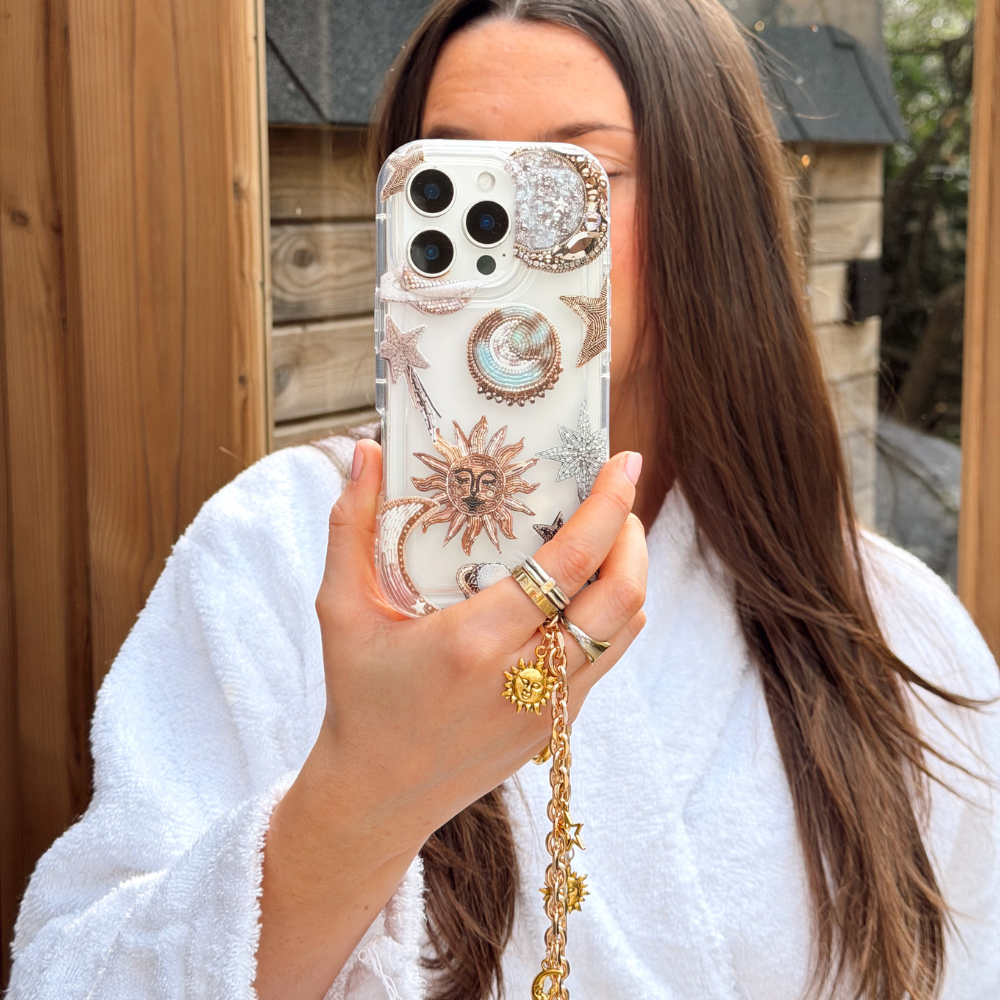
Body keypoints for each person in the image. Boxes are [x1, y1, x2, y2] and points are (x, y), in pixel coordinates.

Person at [8, 1, 998, 999]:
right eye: (455, 182)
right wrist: (365, 796)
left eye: (578, 175)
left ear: (715, 212)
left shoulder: (895, 629)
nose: (508, 236)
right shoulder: (274, 549)